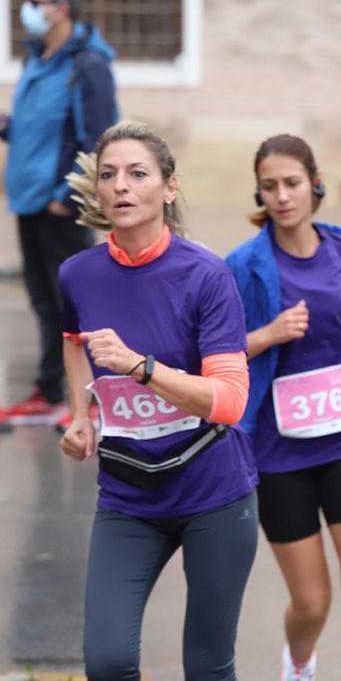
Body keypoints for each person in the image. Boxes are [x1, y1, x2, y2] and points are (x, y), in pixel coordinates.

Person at [58, 120, 258, 679]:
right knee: (108, 661)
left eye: (137, 173)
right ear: (97, 191)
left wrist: (142, 369)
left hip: (213, 494)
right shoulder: (78, 274)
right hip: (128, 496)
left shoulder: (206, 275)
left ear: (169, 188)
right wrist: (81, 415)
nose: (121, 186)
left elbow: (229, 401)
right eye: (108, 175)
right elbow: (74, 340)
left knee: (207, 666)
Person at [226, 135, 341, 681]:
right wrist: (267, 335)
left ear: (314, 183)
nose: (282, 196)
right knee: (312, 603)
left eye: (292, 183)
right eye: (270, 186)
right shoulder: (242, 265)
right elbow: (215, 353)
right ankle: (299, 661)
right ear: (259, 192)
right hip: (279, 454)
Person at [2, 0, 117, 425]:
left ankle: (90, 395)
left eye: (38, 1)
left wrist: (66, 198)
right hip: (30, 202)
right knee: (44, 301)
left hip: (59, 207)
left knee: (74, 304)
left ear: (63, 7)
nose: (28, 8)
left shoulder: (87, 66)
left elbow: (98, 138)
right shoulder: (39, 59)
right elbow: (37, 130)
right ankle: (50, 389)